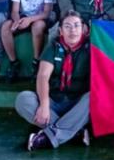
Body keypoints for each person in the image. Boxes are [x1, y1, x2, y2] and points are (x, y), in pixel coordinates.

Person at [14, 10, 92, 150]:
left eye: (76, 25)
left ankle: (48, 137)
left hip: (76, 105)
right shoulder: (54, 46)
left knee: (93, 99)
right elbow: (43, 76)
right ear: (61, 31)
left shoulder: (90, 48)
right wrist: (44, 105)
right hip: (53, 102)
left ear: (84, 29)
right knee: (23, 99)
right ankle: (73, 132)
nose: (72, 30)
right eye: (67, 26)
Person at [1, 0, 56, 82]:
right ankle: (13, 62)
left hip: (40, 18)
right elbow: (15, 10)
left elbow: (46, 12)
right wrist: (16, 21)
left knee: (38, 27)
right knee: (5, 27)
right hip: (23, 17)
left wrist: (29, 20)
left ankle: (36, 62)